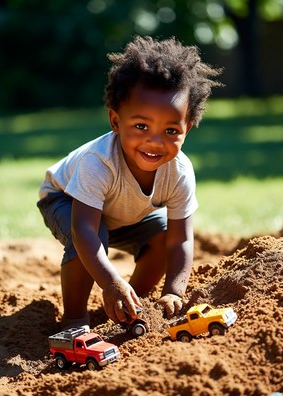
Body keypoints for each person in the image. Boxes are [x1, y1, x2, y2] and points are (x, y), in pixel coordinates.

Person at [37, 35, 221, 330]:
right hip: (64, 199)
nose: (155, 141)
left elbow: (180, 240)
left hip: (121, 212)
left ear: (188, 128)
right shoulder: (98, 162)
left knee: (162, 233)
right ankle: (74, 320)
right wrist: (110, 281)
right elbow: (83, 229)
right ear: (115, 121)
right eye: (140, 126)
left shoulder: (180, 171)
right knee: (93, 233)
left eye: (171, 130)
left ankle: (134, 304)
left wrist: (174, 291)